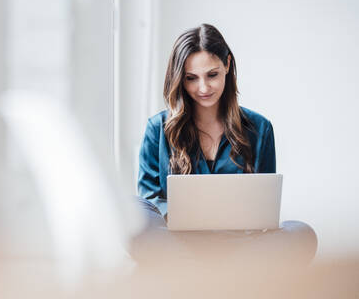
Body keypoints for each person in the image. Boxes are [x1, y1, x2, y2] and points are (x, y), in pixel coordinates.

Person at [131, 24, 317, 268]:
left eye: (212, 75)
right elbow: (150, 200)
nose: (203, 88)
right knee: (132, 211)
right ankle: (225, 271)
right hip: (179, 241)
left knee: (301, 234)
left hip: (239, 244)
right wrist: (183, 216)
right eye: (191, 78)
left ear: (227, 65)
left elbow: (264, 207)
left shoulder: (260, 129)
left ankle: (204, 269)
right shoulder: (158, 127)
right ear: (180, 79)